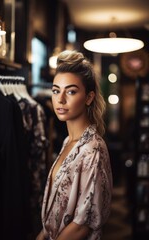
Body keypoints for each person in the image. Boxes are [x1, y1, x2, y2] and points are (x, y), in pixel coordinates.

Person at [36, 50, 112, 240]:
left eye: (71, 91)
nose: (60, 99)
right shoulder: (68, 142)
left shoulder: (92, 149)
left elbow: (83, 225)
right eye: (56, 90)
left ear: (89, 97)